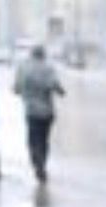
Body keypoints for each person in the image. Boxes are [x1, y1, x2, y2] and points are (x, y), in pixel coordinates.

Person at [12, 45, 65, 183]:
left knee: (33, 139)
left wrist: (23, 91)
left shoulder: (23, 68)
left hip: (31, 111)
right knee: (44, 139)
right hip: (47, 112)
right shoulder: (48, 68)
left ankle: (37, 163)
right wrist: (60, 91)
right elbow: (57, 87)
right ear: (43, 55)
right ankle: (42, 164)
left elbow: (16, 88)